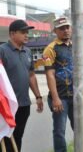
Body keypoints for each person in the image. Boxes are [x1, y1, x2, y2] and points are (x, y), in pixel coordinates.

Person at [0, 20, 43, 152]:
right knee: (5, 138)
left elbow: (31, 75)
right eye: (23, 32)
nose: (27, 35)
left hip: (23, 104)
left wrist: (38, 96)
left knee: (18, 136)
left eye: (27, 32)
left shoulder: (28, 52)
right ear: (12, 34)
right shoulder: (2, 51)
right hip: (6, 106)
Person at [43, 17, 73, 152]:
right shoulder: (50, 49)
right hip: (60, 97)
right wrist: (55, 99)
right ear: (55, 31)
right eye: (62, 28)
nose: (66, 31)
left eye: (67, 27)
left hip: (77, 96)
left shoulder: (76, 45)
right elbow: (50, 75)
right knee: (60, 131)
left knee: (80, 128)